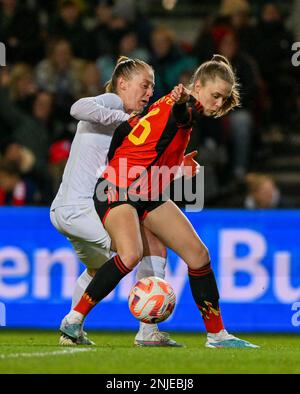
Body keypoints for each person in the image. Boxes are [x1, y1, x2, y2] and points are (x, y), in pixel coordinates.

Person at [60, 55, 259, 348]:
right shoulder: (185, 106)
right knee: (130, 254)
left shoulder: (163, 103)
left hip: (146, 191)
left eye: (223, 98)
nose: (217, 104)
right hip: (117, 188)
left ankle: (216, 335)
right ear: (198, 85)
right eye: (215, 95)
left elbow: (133, 136)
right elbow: (182, 115)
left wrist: (174, 167)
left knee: (198, 256)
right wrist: (181, 104)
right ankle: (73, 320)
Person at [50, 56, 188, 347]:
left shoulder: (137, 128)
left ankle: (72, 331)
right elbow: (77, 108)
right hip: (81, 208)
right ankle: (147, 332)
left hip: (71, 210)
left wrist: (176, 167)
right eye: (145, 85)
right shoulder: (113, 102)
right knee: (146, 241)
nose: (150, 93)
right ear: (123, 84)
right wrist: (127, 120)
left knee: (98, 270)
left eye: (152, 87)